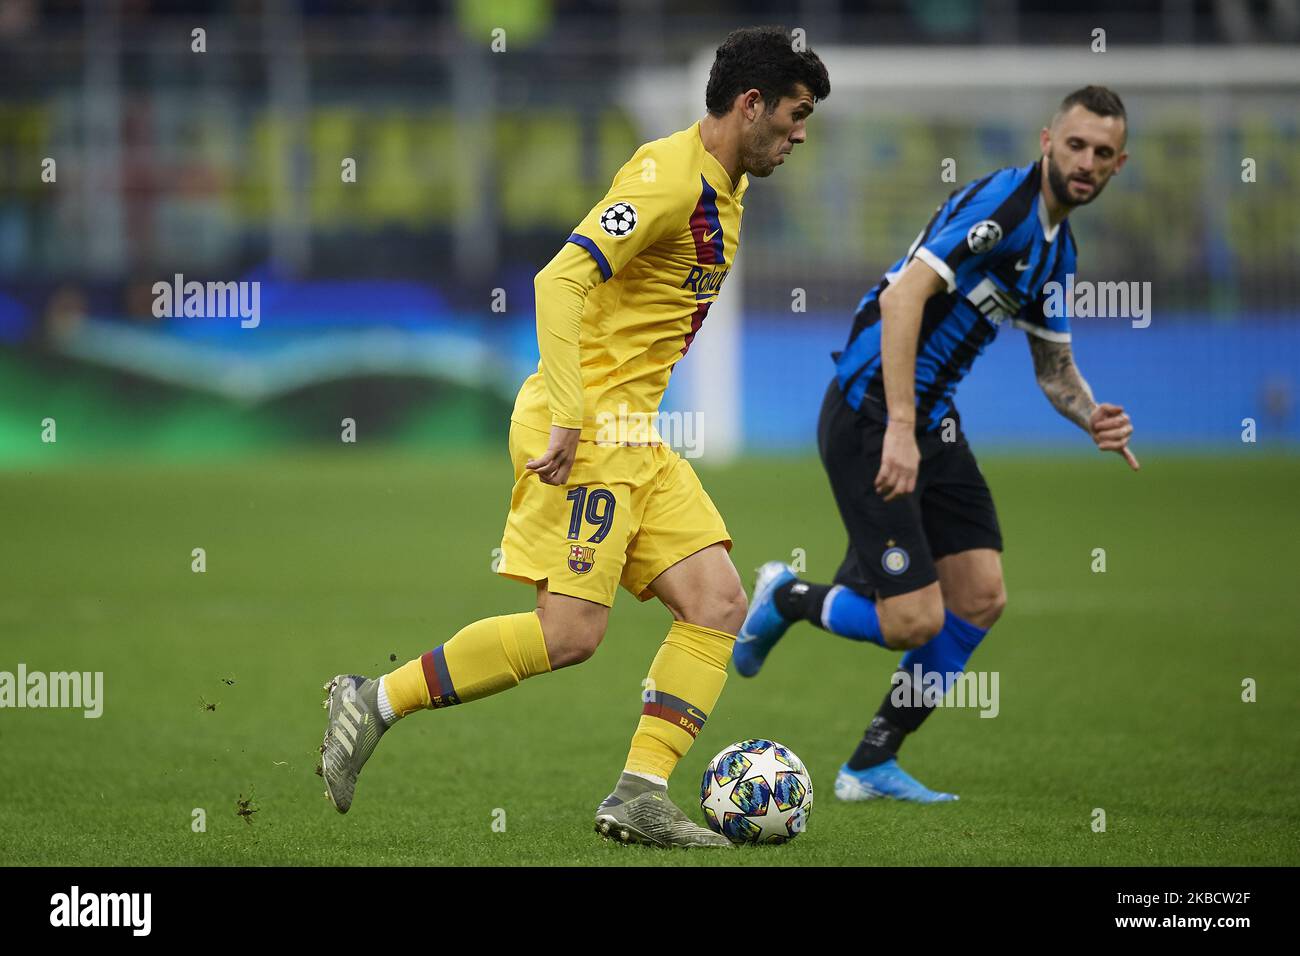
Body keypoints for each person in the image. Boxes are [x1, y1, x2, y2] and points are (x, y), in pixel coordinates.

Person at [319, 26, 830, 847]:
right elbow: (558, 279)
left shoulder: (725, 186)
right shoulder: (668, 177)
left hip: (635, 433)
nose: (801, 135)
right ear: (750, 104)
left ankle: (639, 793)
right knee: (570, 636)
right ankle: (371, 701)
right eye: (796, 115)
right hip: (587, 428)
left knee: (719, 601)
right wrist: (566, 412)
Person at [735, 86, 1138, 804]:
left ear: (1118, 165)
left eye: (1102, 154)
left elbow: (1053, 370)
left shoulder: (1057, 251)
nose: (1086, 162)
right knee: (911, 620)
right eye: (1076, 145)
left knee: (980, 596)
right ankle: (785, 595)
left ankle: (869, 765)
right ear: (1048, 141)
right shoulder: (1002, 211)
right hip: (870, 413)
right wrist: (897, 427)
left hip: (930, 420)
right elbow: (901, 298)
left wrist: (1091, 416)